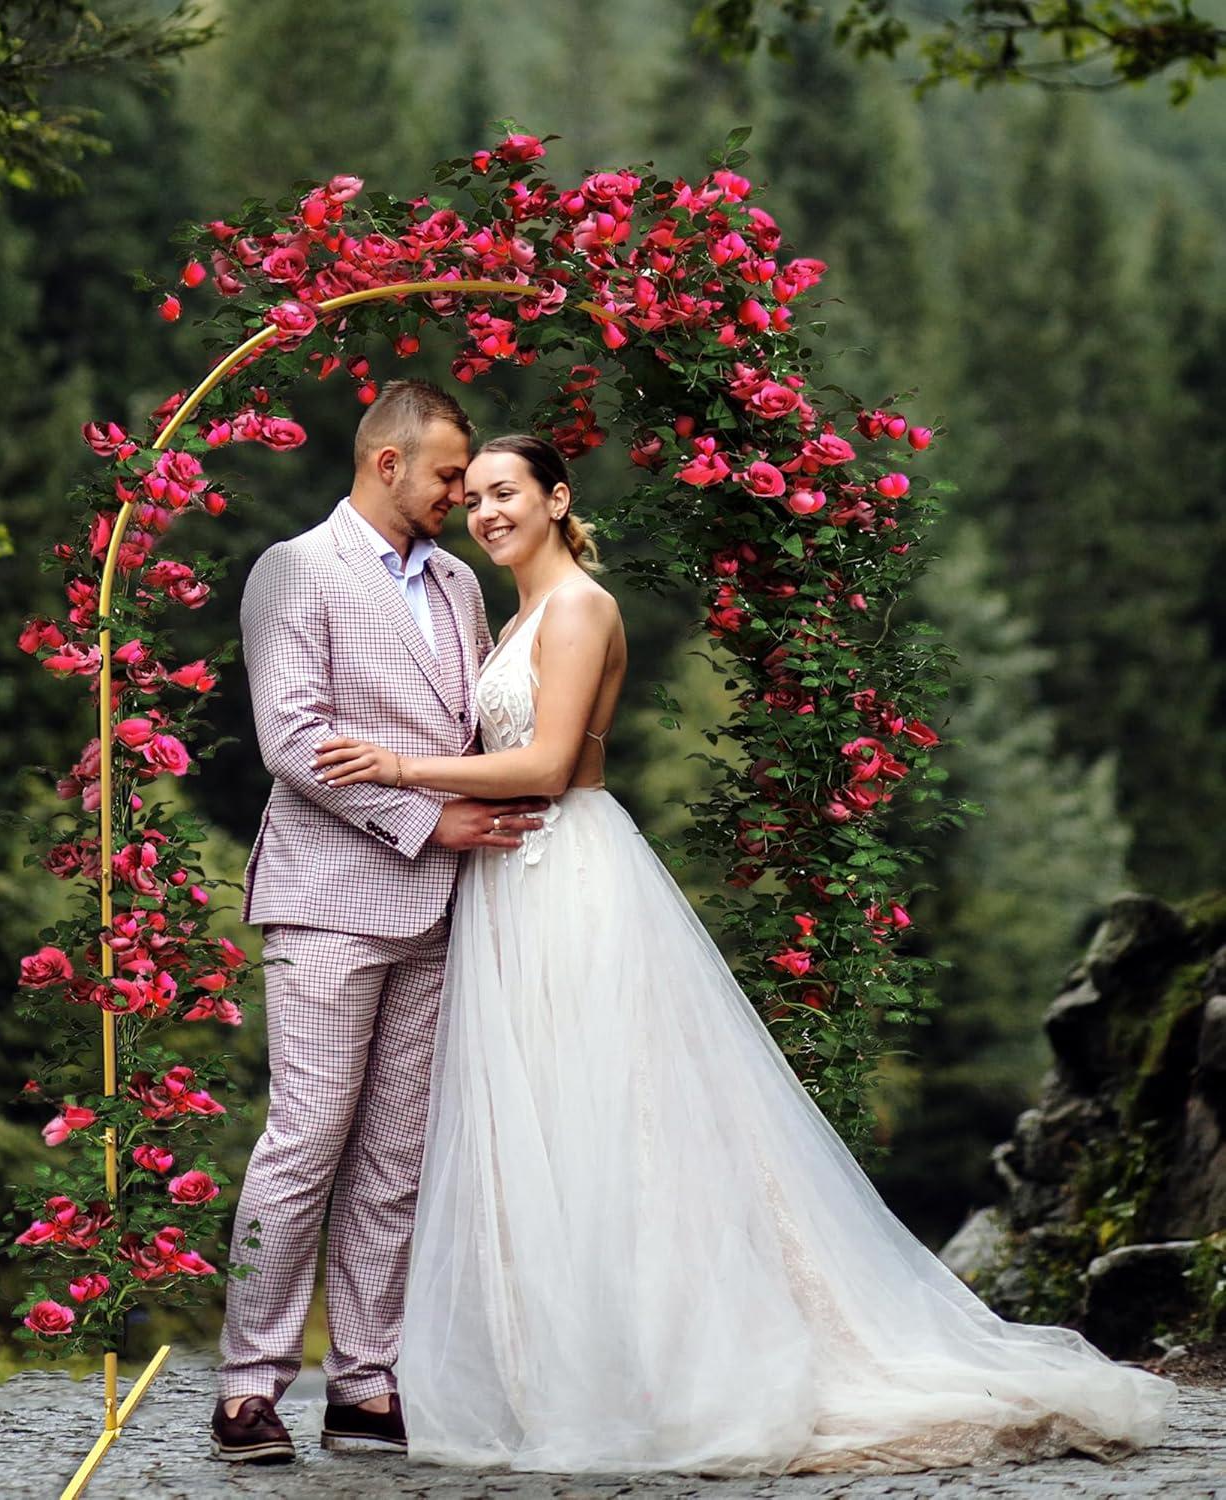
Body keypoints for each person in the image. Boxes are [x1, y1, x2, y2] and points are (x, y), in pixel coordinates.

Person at [311, 433, 1178, 1477]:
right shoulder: (522, 613)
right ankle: (573, 1367)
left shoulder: (582, 607)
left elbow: (544, 762)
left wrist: (400, 769)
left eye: (508, 492)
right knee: (542, 1126)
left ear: (557, 497)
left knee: (610, 1119)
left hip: (564, 875)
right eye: (478, 496)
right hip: (508, 884)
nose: (489, 511)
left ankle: (668, 1373)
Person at [210, 383, 547, 1464]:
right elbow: (292, 739)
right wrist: (429, 817)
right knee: (305, 1142)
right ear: (387, 464)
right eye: (450, 474)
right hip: (329, 902)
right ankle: (247, 1389)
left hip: (444, 911)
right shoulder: (295, 571)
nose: (465, 493)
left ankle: (364, 1383)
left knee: (395, 1157)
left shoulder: (456, 584)